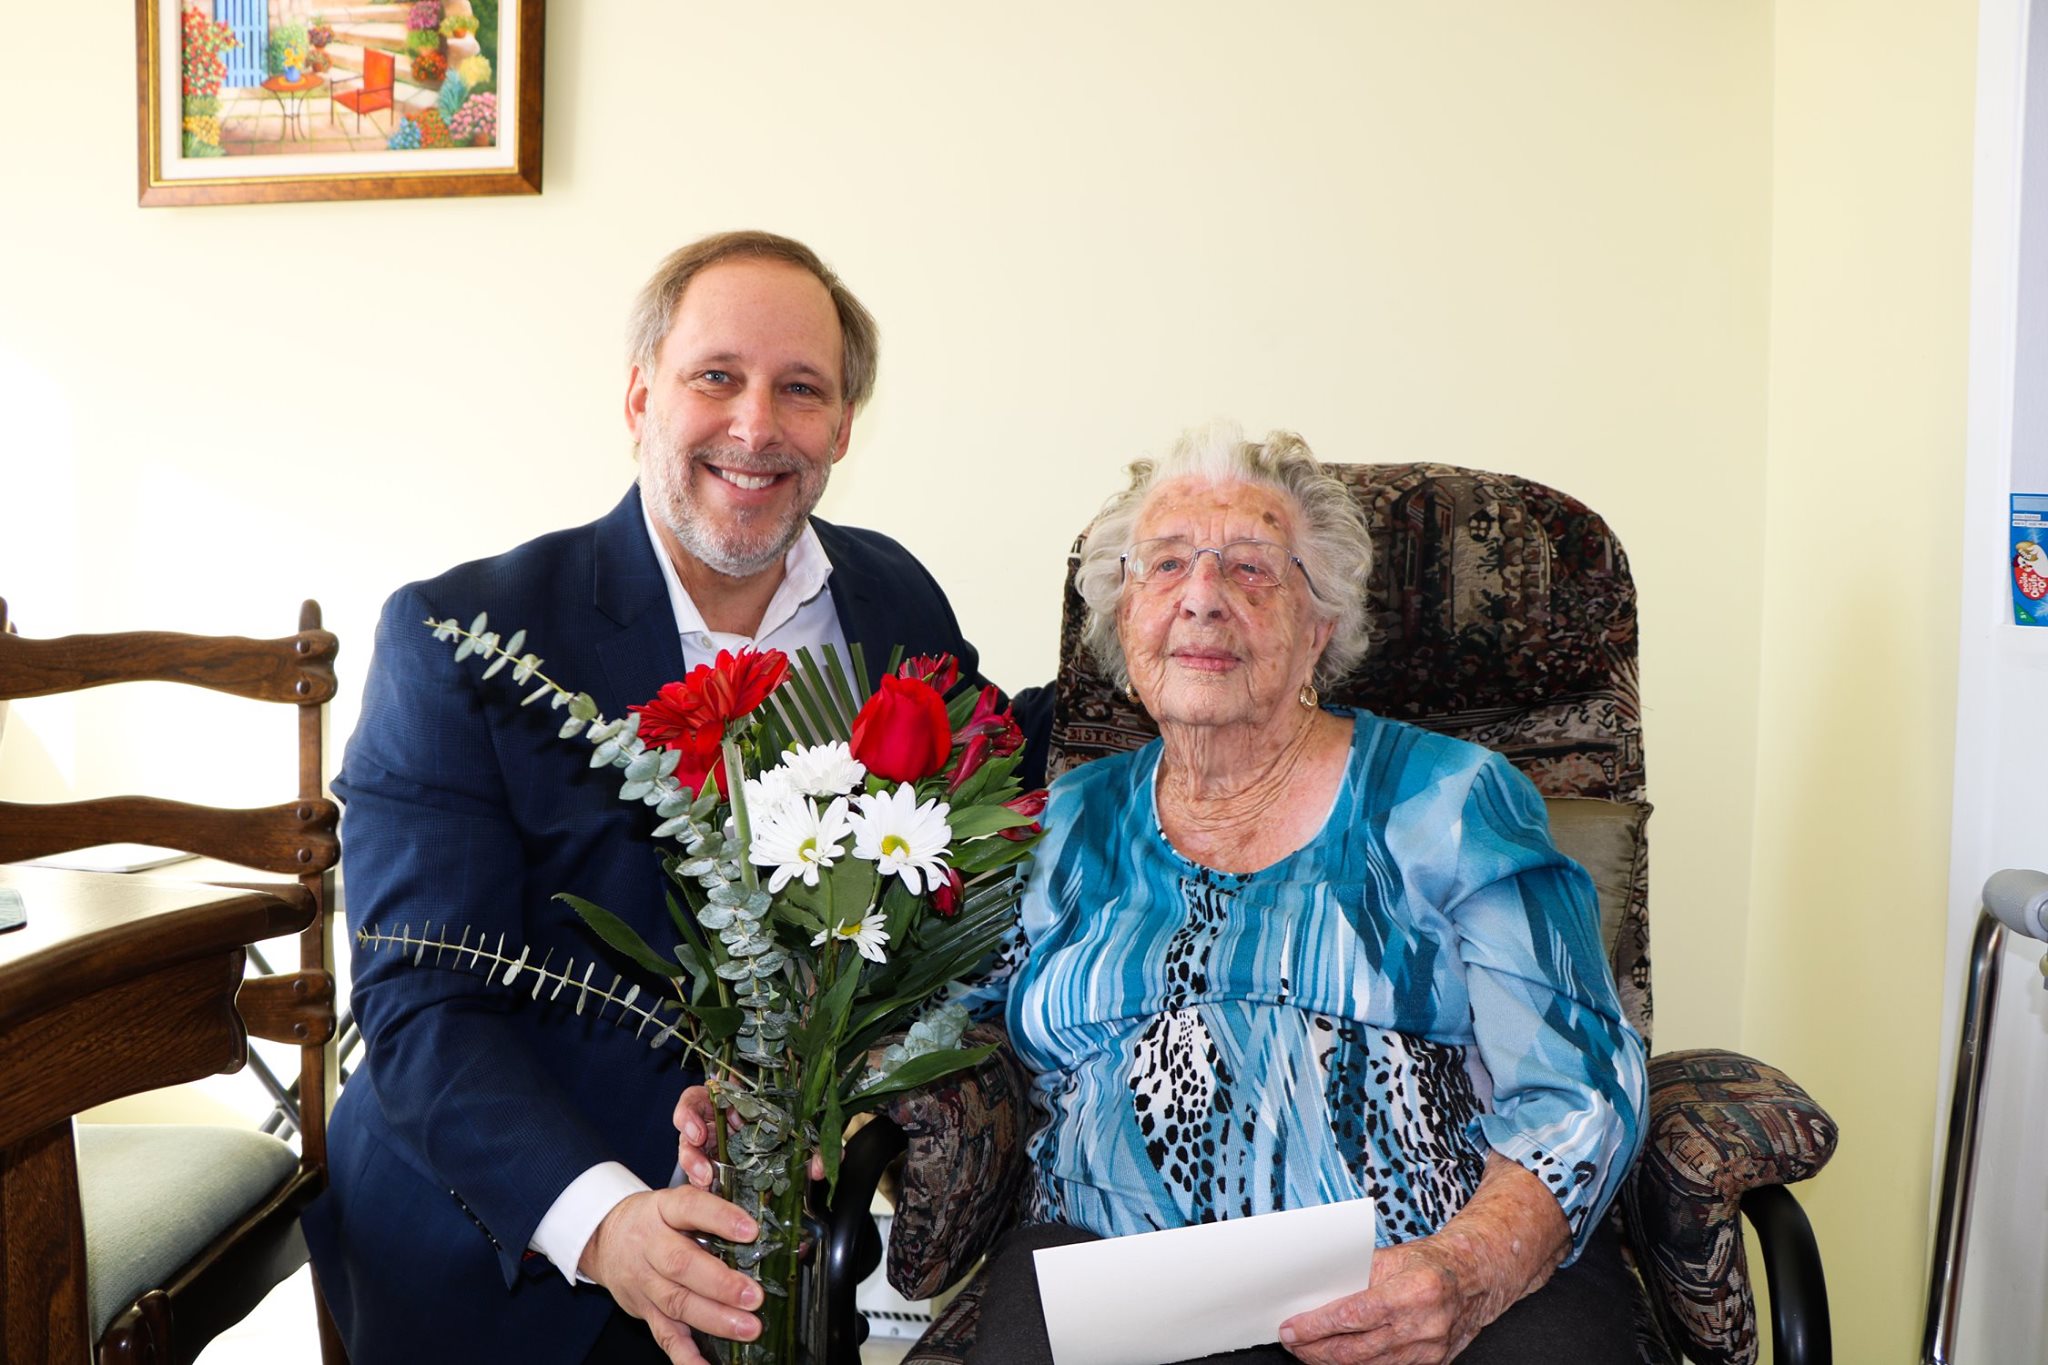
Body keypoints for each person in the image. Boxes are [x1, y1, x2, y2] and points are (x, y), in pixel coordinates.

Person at [682, 423, 1648, 1364]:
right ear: (1122, 619)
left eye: (1252, 567)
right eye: (1167, 563)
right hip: (1119, 1290)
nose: (1203, 597)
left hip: (1418, 1280)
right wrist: (794, 1103)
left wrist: (1465, 1268)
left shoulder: (1451, 800)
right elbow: (932, 1020)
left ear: (1321, 628)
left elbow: (1580, 1084)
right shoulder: (1057, 825)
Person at [304, 231, 1046, 1365]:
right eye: (716, 376)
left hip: (789, 1250)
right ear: (640, 396)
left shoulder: (892, 600)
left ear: (844, 427)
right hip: (510, 1252)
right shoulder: (462, 643)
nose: (755, 425)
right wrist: (602, 1222)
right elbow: (421, 1002)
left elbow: (981, 809)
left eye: (800, 389)